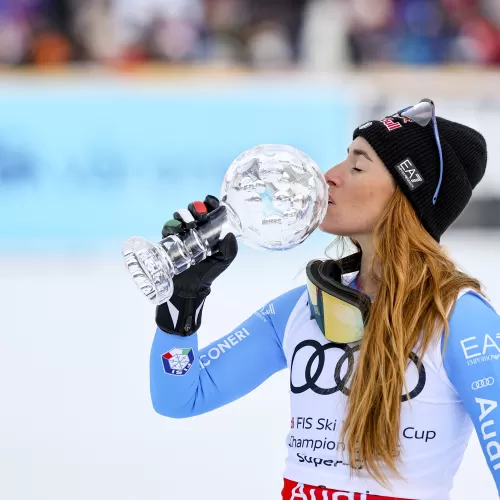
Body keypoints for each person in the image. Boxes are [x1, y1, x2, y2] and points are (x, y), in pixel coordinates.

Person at [149, 99, 500, 499]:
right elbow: (180, 396)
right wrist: (182, 301)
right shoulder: (302, 308)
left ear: (405, 195)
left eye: (358, 166)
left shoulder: (459, 319)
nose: (330, 176)